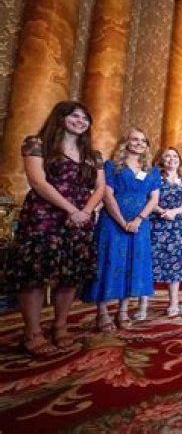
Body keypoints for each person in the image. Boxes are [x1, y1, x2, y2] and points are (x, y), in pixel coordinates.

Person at [8, 101, 105, 355]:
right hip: (44, 215)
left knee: (70, 274)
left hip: (80, 219)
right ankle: (32, 333)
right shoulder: (37, 144)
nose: (81, 121)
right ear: (60, 118)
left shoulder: (93, 154)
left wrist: (85, 212)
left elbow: (100, 188)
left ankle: (60, 326)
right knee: (35, 274)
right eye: (75, 116)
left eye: (85, 118)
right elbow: (38, 182)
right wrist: (71, 210)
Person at [83, 128, 160, 331]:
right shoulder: (112, 165)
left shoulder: (151, 170)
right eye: (135, 139)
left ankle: (123, 311)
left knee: (131, 265)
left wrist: (138, 220)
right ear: (125, 142)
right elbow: (107, 194)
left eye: (143, 140)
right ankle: (102, 313)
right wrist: (121, 221)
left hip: (139, 225)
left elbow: (154, 199)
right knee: (108, 262)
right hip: (112, 221)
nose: (139, 143)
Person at [137, 147, 182, 319]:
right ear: (160, 160)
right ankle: (142, 306)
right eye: (167, 156)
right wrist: (162, 211)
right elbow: (142, 197)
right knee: (149, 265)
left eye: (175, 156)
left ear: (179, 160)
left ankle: (174, 303)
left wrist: (174, 212)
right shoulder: (151, 176)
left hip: (177, 228)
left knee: (175, 265)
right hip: (155, 225)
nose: (172, 159)